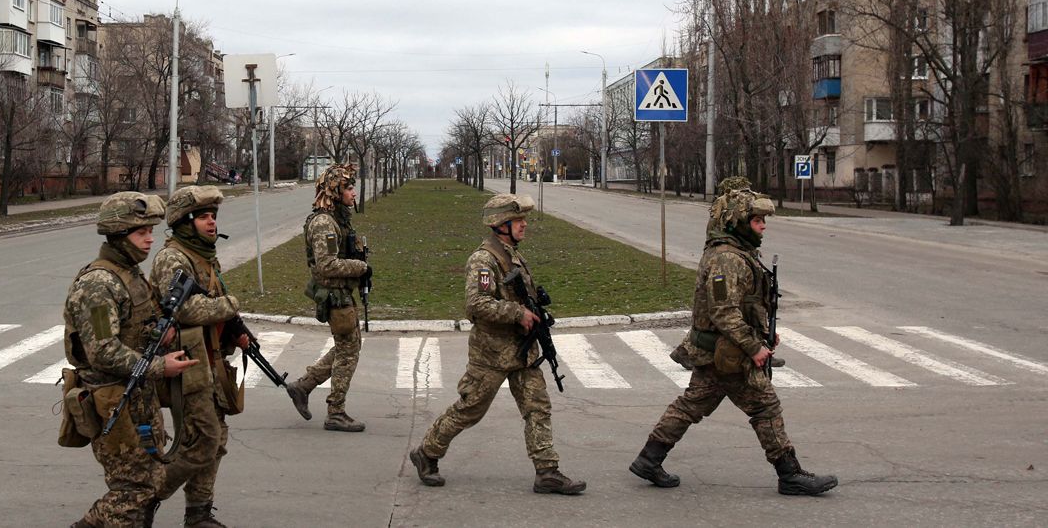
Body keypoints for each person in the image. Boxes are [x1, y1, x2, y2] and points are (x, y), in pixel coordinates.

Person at [629, 188, 837, 496]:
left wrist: (763, 332)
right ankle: (790, 474)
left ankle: (649, 459)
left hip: (719, 350)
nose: (763, 226)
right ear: (737, 223)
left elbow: (742, 304)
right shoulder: (727, 259)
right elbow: (724, 311)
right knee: (765, 407)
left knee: (691, 405)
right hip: (727, 352)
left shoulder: (737, 253)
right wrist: (754, 347)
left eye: (763, 220)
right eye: (757, 221)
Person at [409, 193, 586, 495]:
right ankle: (427, 452)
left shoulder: (512, 254)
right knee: (470, 409)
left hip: (521, 350)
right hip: (491, 353)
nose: (524, 225)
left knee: (537, 407)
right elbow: (476, 304)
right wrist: (517, 313)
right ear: (501, 224)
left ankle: (547, 471)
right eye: (518, 220)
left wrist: (535, 313)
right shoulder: (484, 260)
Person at [64, 192, 198, 528]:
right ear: (119, 235)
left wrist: (160, 334)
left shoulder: (130, 274)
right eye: (142, 232)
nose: (150, 239)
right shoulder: (98, 285)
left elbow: (134, 329)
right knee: (133, 489)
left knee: (148, 481)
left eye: (151, 231)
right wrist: (159, 366)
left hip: (137, 396)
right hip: (112, 400)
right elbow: (103, 350)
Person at [149, 186, 249, 527]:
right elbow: (185, 309)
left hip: (210, 360)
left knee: (216, 440)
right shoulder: (173, 258)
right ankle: (146, 497)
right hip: (186, 364)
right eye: (203, 217)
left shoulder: (204, 255)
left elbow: (211, 298)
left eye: (213, 216)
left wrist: (236, 330)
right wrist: (230, 305)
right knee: (203, 440)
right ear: (184, 222)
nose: (211, 222)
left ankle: (199, 512)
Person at [284, 163, 370, 432]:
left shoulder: (336, 219)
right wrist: (361, 267)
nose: (353, 193)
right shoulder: (324, 223)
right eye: (349, 188)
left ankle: (303, 386)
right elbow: (327, 265)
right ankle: (336, 412)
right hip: (334, 296)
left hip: (342, 294)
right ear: (335, 191)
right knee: (348, 352)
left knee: (348, 347)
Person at [670, 176, 784, 371]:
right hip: (725, 263)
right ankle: (686, 351)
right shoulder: (726, 215)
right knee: (717, 309)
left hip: (732, 256)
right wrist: (752, 346)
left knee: (718, 308)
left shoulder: (728, 214)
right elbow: (723, 311)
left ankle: (686, 350)